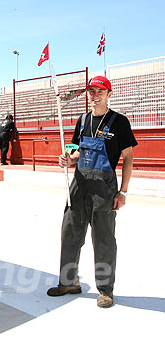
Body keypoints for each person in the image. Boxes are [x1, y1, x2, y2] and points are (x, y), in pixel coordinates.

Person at [47, 76, 137, 308]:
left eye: (100, 91)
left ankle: (105, 290)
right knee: (69, 233)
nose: (95, 95)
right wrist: (69, 160)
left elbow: (128, 158)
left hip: (104, 187)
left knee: (104, 239)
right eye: (91, 91)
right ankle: (69, 282)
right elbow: (77, 151)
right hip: (79, 184)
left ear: (109, 94)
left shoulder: (119, 122)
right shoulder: (83, 120)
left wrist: (123, 192)